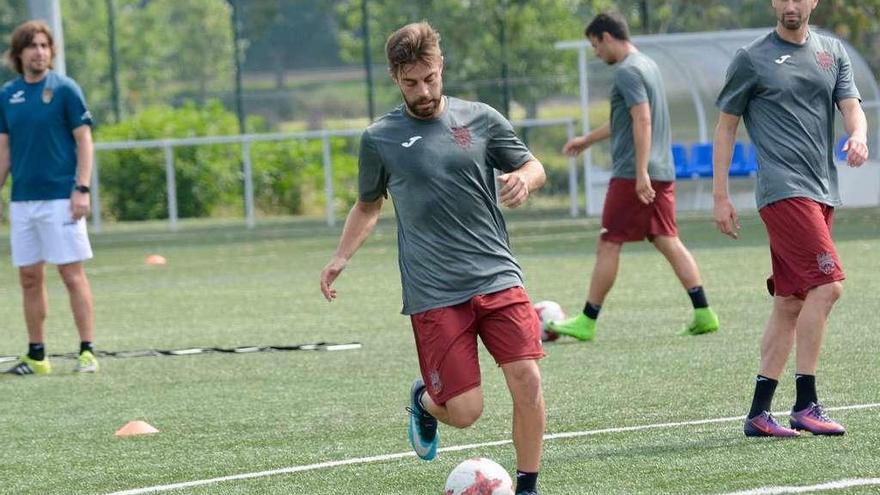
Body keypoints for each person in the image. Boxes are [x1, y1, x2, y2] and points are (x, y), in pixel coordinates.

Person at [319, 22, 546, 495]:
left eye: (429, 79)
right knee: (465, 413)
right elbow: (368, 204)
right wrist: (341, 256)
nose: (423, 91)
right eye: (410, 83)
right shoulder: (380, 138)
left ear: (441, 66)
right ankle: (425, 401)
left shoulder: (481, 118)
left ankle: (528, 487)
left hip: (497, 273)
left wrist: (526, 179)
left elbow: (531, 163)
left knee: (527, 379)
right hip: (434, 292)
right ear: (394, 77)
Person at [713, 0, 868, 437]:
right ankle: (806, 403)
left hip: (823, 190)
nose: (791, 4)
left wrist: (858, 135)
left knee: (791, 301)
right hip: (783, 190)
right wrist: (720, 196)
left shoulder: (832, 53)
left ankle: (759, 414)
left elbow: (851, 107)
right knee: (828, 284)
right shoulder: (751, 59)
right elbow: (726, 126)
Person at [548, 12, 719, 342]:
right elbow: (627, 120)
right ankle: (704, 312)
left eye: (595, 45)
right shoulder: (648, 66)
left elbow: (642, 121)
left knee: (608, 243)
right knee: (666, 239)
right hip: (660, 168)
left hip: (633, 173)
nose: (596, 53)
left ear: (608, 37)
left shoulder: (627, 71)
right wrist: (587, 140)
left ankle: (587, 320)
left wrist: (640, 172)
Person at [0, 20, 98, 375]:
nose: (39, 52)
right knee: (29, 277)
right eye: (32, 46)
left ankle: (87, 351)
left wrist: (81, 188)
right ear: (19, 54)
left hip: (61, 197)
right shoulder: (7, 95)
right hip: (23, 201)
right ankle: (37, 355)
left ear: (50, 52)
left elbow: (84, 140)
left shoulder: (66, 90)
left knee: (71, 274)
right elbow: (4, 152)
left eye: (44, 46)